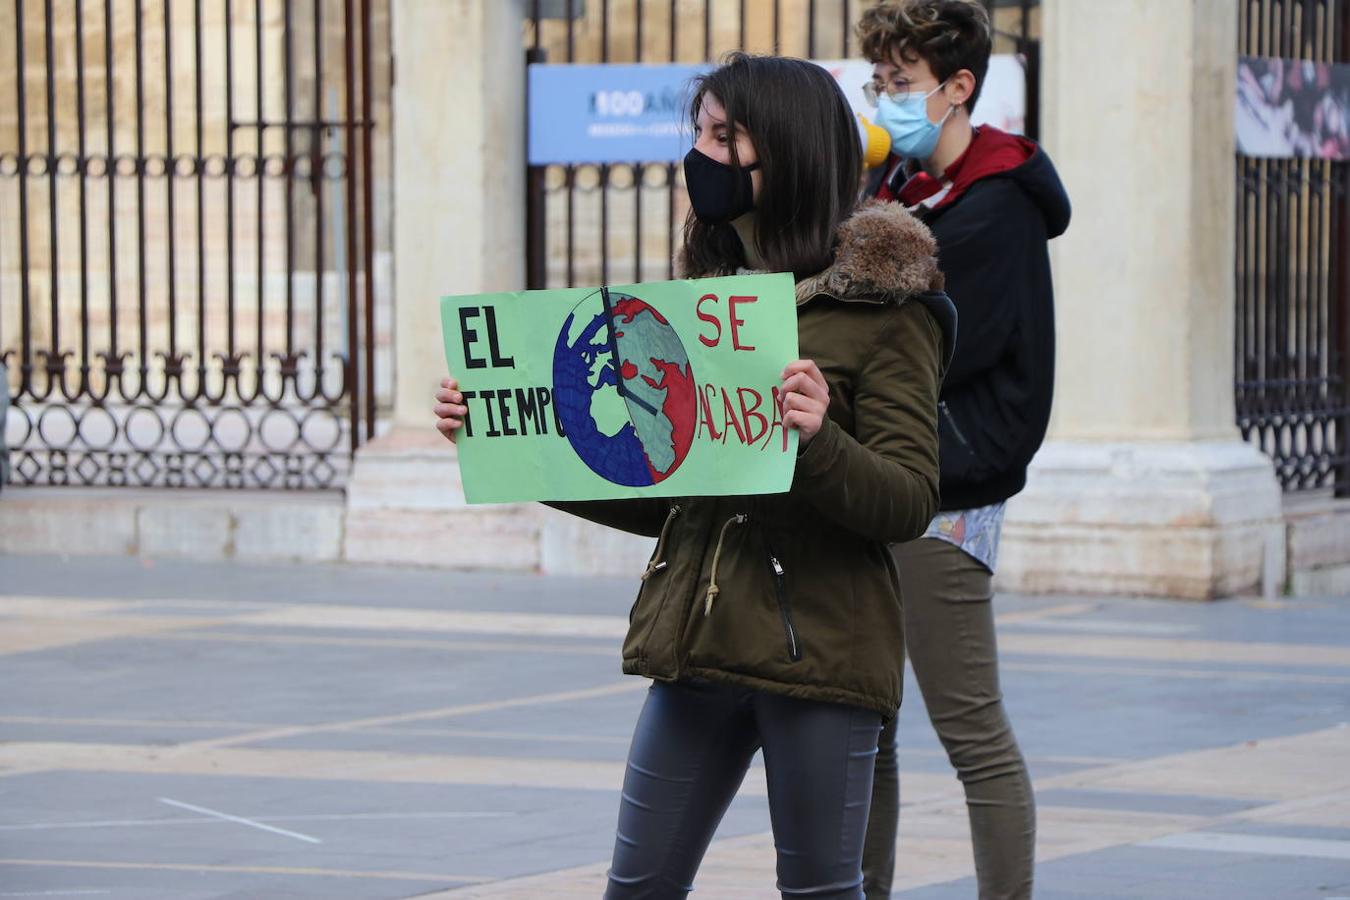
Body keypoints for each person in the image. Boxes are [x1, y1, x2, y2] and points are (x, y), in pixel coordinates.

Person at [435, 52, 957, 900]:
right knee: (637, 888)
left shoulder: (884, 314)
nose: (700, 156)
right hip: (698, 644)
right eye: (700, 134)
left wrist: (817, 439)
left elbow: (906, 502)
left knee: (823, 890)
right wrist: (510, 445)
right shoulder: (704, 301)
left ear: (782, 153)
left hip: (818, 651)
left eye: (724, 135)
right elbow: (672, 491)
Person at [853, 3, 1072, 899]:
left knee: (971, 733)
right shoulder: (903, 192)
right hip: (875, 480)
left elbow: (924, 347)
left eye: (901, 85)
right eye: (880, 83)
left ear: (958, 88)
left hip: (947, 490)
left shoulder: (993, 208)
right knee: (863, 730)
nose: (887, 101)